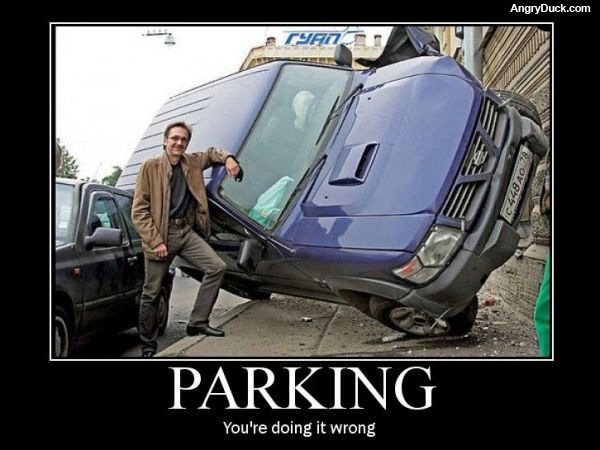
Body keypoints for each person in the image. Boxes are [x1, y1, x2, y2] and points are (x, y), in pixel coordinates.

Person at [132, 121, 240, 357]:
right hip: (161, 234)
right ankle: (148, 346)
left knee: (216, 267)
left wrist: (229, 158)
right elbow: (139, 211)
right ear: (165, 140)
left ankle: (197, 322)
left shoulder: (192, 162)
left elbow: (212, 153)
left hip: (186, 232)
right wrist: (155, 241)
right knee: (152, 292)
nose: (179, 143)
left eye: (183, 139)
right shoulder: (150, 166)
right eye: (175, 138)